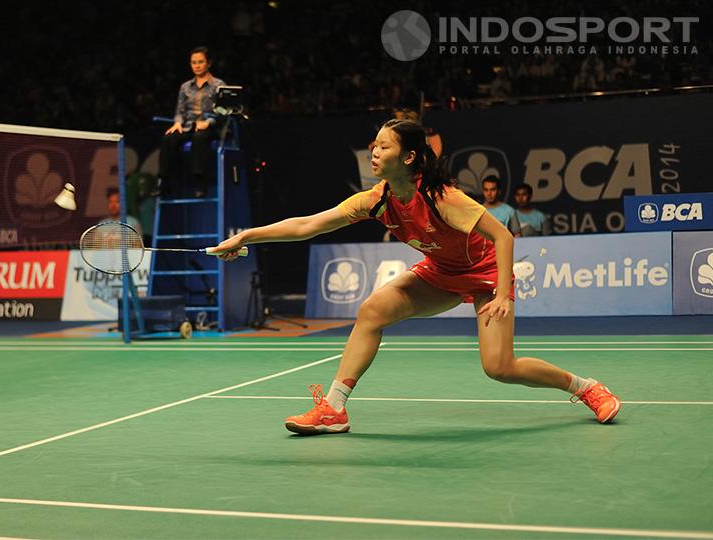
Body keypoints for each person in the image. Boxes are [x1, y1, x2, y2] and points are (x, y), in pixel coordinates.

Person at [211, 119, 620, 435]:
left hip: (483, 275)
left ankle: (586, 387)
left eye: (383, 146)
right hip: (440, 273)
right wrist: (247, 236)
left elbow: (503, 236)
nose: (373, 152)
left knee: (499, 366)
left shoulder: (442, 198)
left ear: (407, 158)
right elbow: (307, 225)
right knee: (372, 311)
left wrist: (501, 294)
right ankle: (333, 409)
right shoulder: (377, 199)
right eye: (374, 145)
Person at [157, 46, 225, 198]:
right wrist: (177, 122)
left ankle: (200, 183)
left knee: (199, 137)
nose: (197, 65)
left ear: (208, 63)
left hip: (209, 127)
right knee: (168, 138)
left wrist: (209, 122)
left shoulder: (218, 85)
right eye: (194, 62)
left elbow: (222, 111)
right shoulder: (185, 87)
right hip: (189, 126)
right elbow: (180, 110)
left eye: (200, 62)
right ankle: (164, 182)